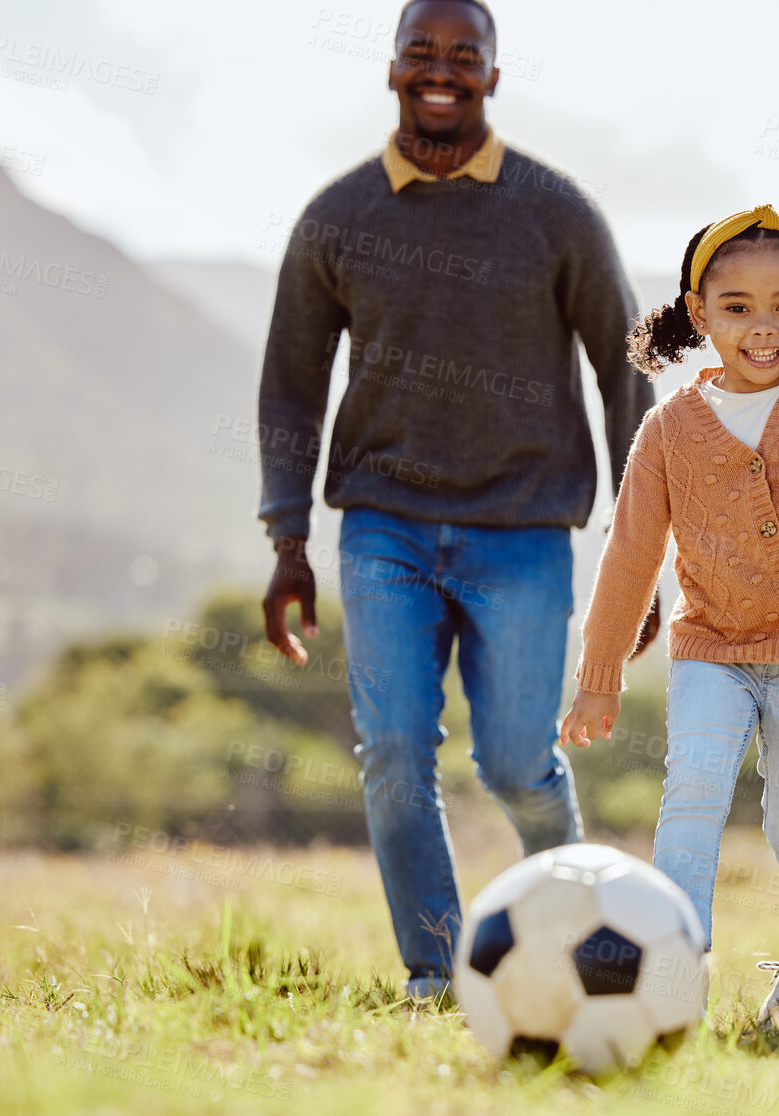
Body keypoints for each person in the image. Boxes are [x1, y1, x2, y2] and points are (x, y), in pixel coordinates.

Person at [254, 0, 656, 1001]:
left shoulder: (554, 211)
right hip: (382, 522)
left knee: (520, 764)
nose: (441, 71)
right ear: (392, 69)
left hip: (523, 529)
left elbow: (623, 368)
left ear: (492, 77)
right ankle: (435, 973)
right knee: (393, 751)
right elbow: (292, 380)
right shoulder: (339, 216)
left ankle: (576, 934)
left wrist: (644, 550)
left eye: (463, 57)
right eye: (421, 54)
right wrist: (288, 536)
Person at [559, 206, 779, 1037]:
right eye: (738, 308)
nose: (764, 328)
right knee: (689, 800)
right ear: (698, 313)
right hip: (712, 649)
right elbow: (630, 556)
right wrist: (599, 675)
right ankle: (672, 980)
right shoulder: (667, 430)